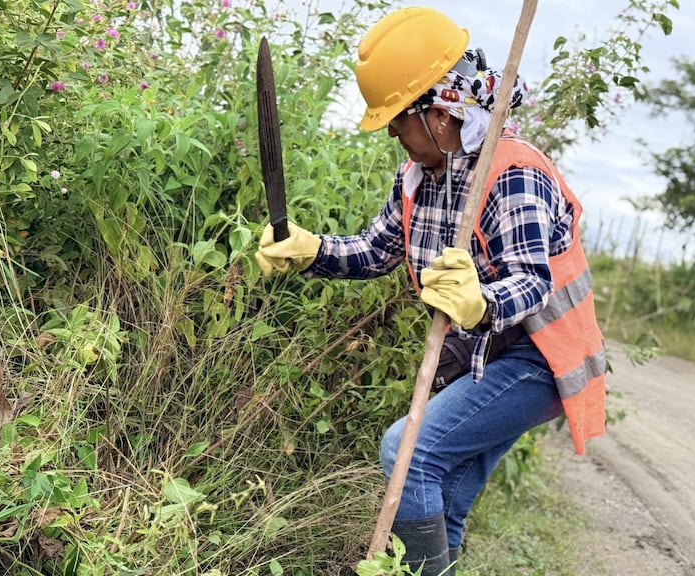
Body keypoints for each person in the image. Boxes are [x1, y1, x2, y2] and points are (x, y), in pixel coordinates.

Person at [255, 6, 607, 576]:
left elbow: (532, 282)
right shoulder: (419, 178)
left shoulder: (511, 170)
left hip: (538, 359)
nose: (393, 132)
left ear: (442, 111)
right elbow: (374, 250)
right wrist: (313, 249)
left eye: (400, 117)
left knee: (407, 454)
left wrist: (481, 301)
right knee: (442, 507)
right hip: (485, 359)